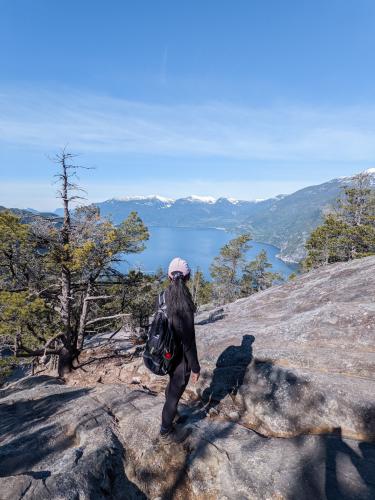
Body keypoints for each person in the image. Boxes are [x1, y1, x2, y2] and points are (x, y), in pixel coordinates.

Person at [159, 257, 201, 443]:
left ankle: (173, 415)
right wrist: (195, 367)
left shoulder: (162, 297)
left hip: (164, 353)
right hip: (180, 358)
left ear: (169, 276)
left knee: (171, 388)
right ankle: (166, 432)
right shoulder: (185, 303)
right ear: (187, 277)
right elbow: (188, 340)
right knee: (174, 395)